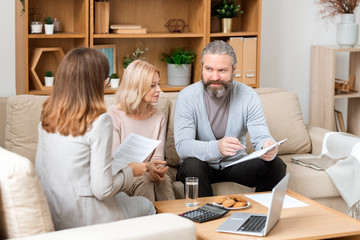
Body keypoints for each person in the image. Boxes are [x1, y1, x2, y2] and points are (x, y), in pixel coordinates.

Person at [35, 48, 155, 230]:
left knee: (123, 197)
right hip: (85, 216)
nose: (106, 85)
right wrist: (130, 170)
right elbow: (102, 190)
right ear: (94, 83)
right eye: (105, 80)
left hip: (55, 212)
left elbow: (41, 170)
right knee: (146, 205)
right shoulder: (99, 121)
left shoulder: (48, 114)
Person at [174, 40, 286, 197]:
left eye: (222, 70)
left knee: (275, 165)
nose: (215, 77)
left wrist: (266, 145)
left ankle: (260, 217)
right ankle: (206, 218)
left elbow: (260, 135)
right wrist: (217, 148)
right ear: (202, 68)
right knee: (192, 165)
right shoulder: (187, 97)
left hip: (235, 164)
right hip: (201, 165)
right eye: (209, 69)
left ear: (233, 70)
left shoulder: (248, 96)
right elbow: (183, 146)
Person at [107, 60, 175, 201]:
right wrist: (146, 167)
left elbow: (158, 156)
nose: (159, 90)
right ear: (136, 87)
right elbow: (116, 161)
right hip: (123, 174)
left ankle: (178, 222)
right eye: (152, 86)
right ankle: (147, 222)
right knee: (144, 180)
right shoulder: (113, 115)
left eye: (158, 84)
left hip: (147, 171)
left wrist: (157, 170)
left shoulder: (159, 117)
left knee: (164, 181)